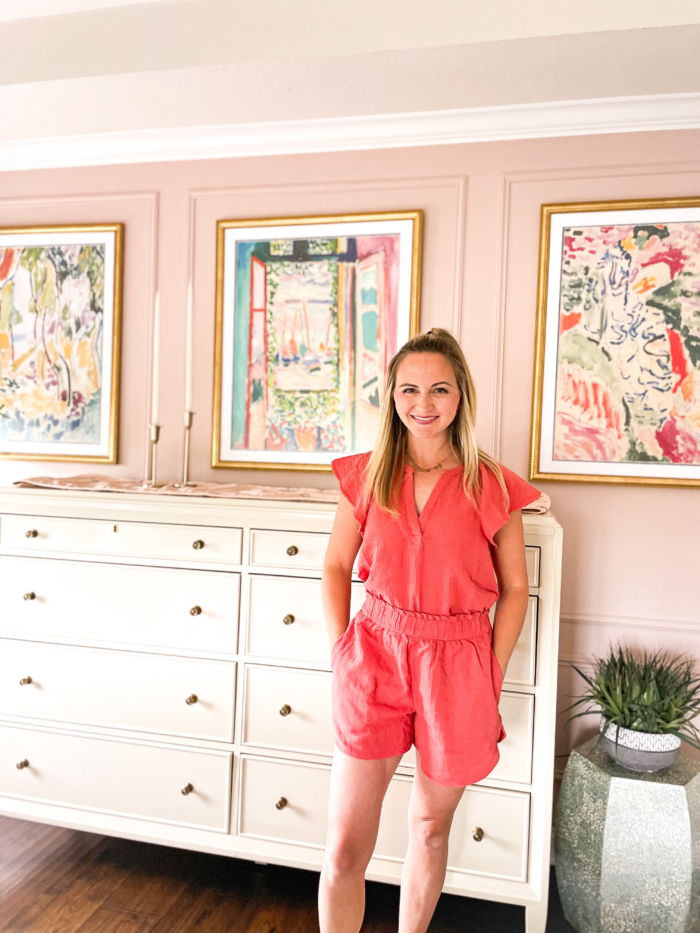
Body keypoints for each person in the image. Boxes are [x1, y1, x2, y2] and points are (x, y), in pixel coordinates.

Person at [318, 327, 540, 933]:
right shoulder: (364, 476)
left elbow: (516, 588)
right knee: (343, 849)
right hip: (374, 657)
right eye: (410, 389)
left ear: (461, 396)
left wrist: (490, 672)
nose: (424, 403)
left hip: (460, 666)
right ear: (391, 396)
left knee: (428, 827)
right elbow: (337, 567)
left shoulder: (492, 485)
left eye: (439, 389)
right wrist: (343, 651)